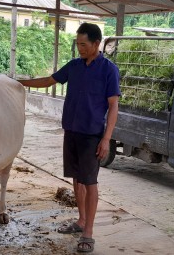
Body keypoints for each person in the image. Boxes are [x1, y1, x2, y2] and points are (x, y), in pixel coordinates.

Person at [18, 22, 120, 253]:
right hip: (71, 131)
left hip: (92, 134)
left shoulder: (108, 70)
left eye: (83, 44)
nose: (80, 48)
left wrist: (106, 139)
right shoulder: (74, 66)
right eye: (77, 44)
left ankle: (89, 233)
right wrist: (18, 82)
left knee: (90, 181)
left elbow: (113, 106)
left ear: (96, 43)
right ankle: (81, 221)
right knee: (76, 178)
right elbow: (48, 81)